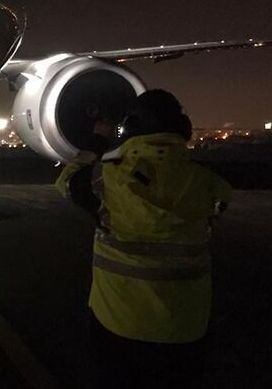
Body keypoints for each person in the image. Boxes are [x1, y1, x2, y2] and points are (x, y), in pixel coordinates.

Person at [55, 89, 231, 389]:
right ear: (183, 127)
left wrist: (99, 139)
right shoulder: (210, 185)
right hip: (186, 328)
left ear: (133, 128)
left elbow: (67, 180)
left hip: (119, 322)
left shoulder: (106, 180)